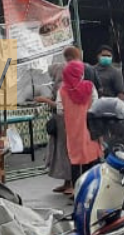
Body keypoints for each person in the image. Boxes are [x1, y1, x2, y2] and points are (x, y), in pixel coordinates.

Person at [58, 60, 101, 186]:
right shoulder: (89, 87)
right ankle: (90, 187)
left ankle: (77, 188)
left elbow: (60, 110)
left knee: (75, 159)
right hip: (89, 128)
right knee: (89, 155)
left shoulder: (62, 91)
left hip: (72, 130)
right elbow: (96, 105)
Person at [36, 62, 72, 195]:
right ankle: (66, 182)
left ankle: (71, 181)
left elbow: (60, 105)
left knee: (65, 152)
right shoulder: (57, 85)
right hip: (59, 122)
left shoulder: (63, 85)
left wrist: (44, 100)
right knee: (60, 152)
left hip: (64, 122)